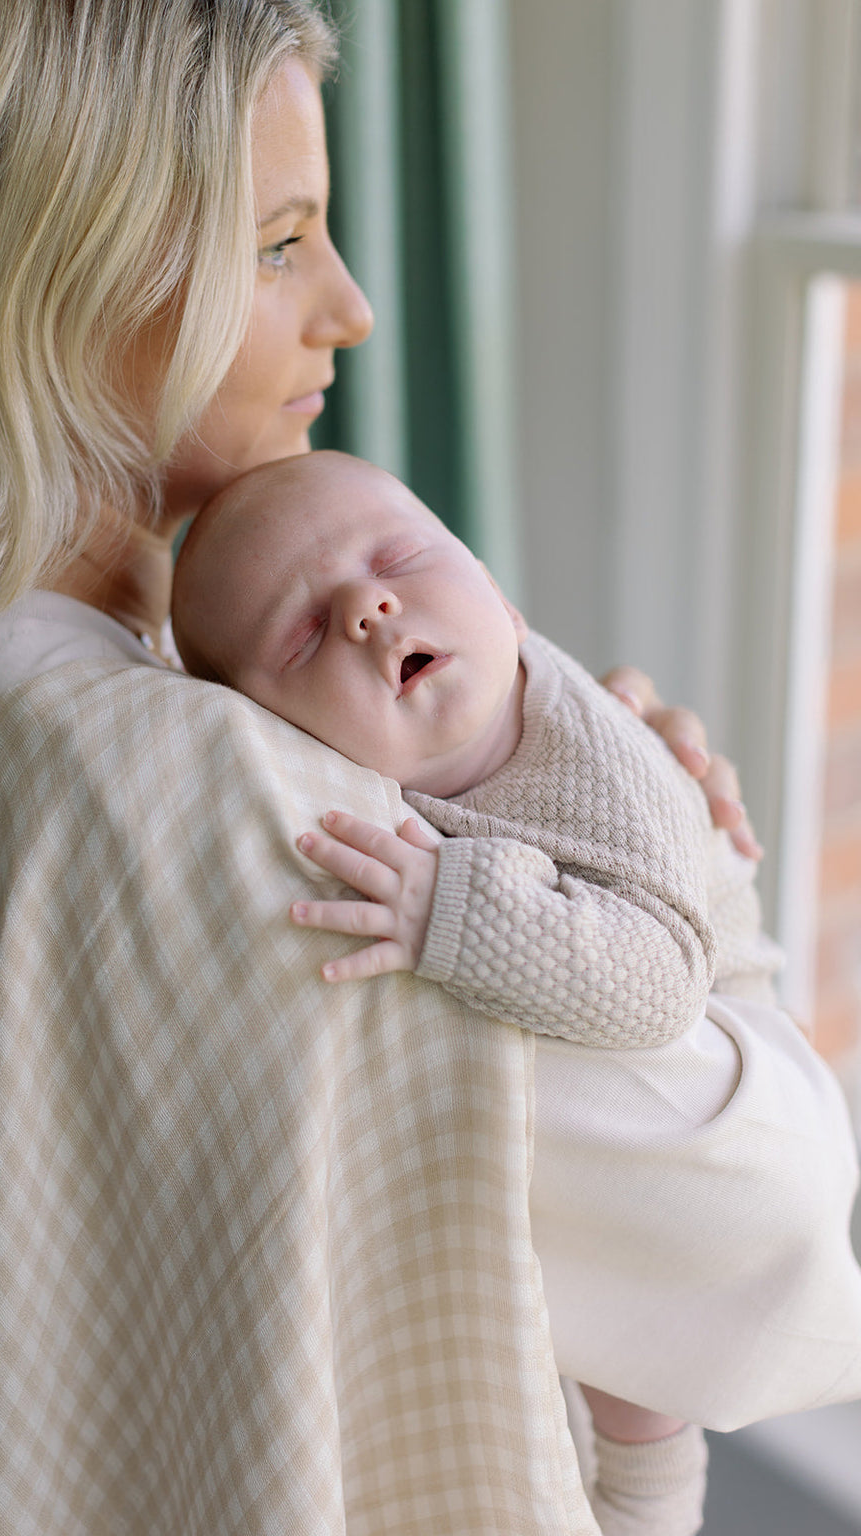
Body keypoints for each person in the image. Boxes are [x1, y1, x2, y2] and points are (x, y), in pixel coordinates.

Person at [0, 3, 840, 1532]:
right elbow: (767, 1215)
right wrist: (700, 896)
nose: (355, 308)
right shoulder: (188, 788)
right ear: (49, 264)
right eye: (282, 242)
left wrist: (563, 789)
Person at [171, 446, 861, 1525]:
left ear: (498, 593)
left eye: (398, 557)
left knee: (638, 1393)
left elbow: (656, 990)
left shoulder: (597, 764)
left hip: (725, 1022)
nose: (368, 606)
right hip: (621, 1005)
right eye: (302, 634)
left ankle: (650, 1500)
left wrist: (449, 907)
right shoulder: (395, 749)